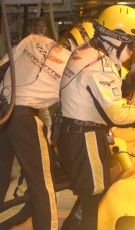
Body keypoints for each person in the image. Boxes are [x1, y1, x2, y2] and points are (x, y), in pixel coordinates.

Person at [56, 5, 135, 229]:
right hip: (84, 136)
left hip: (74, 132)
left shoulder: (89, 52)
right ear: (116, 39)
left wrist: (129, 80)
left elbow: (94, 95)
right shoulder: (99, 65)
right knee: (94, 200)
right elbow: (117, 114)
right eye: (132, 43)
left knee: (89, 198)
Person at [0, 22, 94, 230]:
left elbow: (3, 67)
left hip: (3, 112)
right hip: (25, 119)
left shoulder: (34, 39)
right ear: (87, 45)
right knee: (42, 188)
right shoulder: (74, 67)